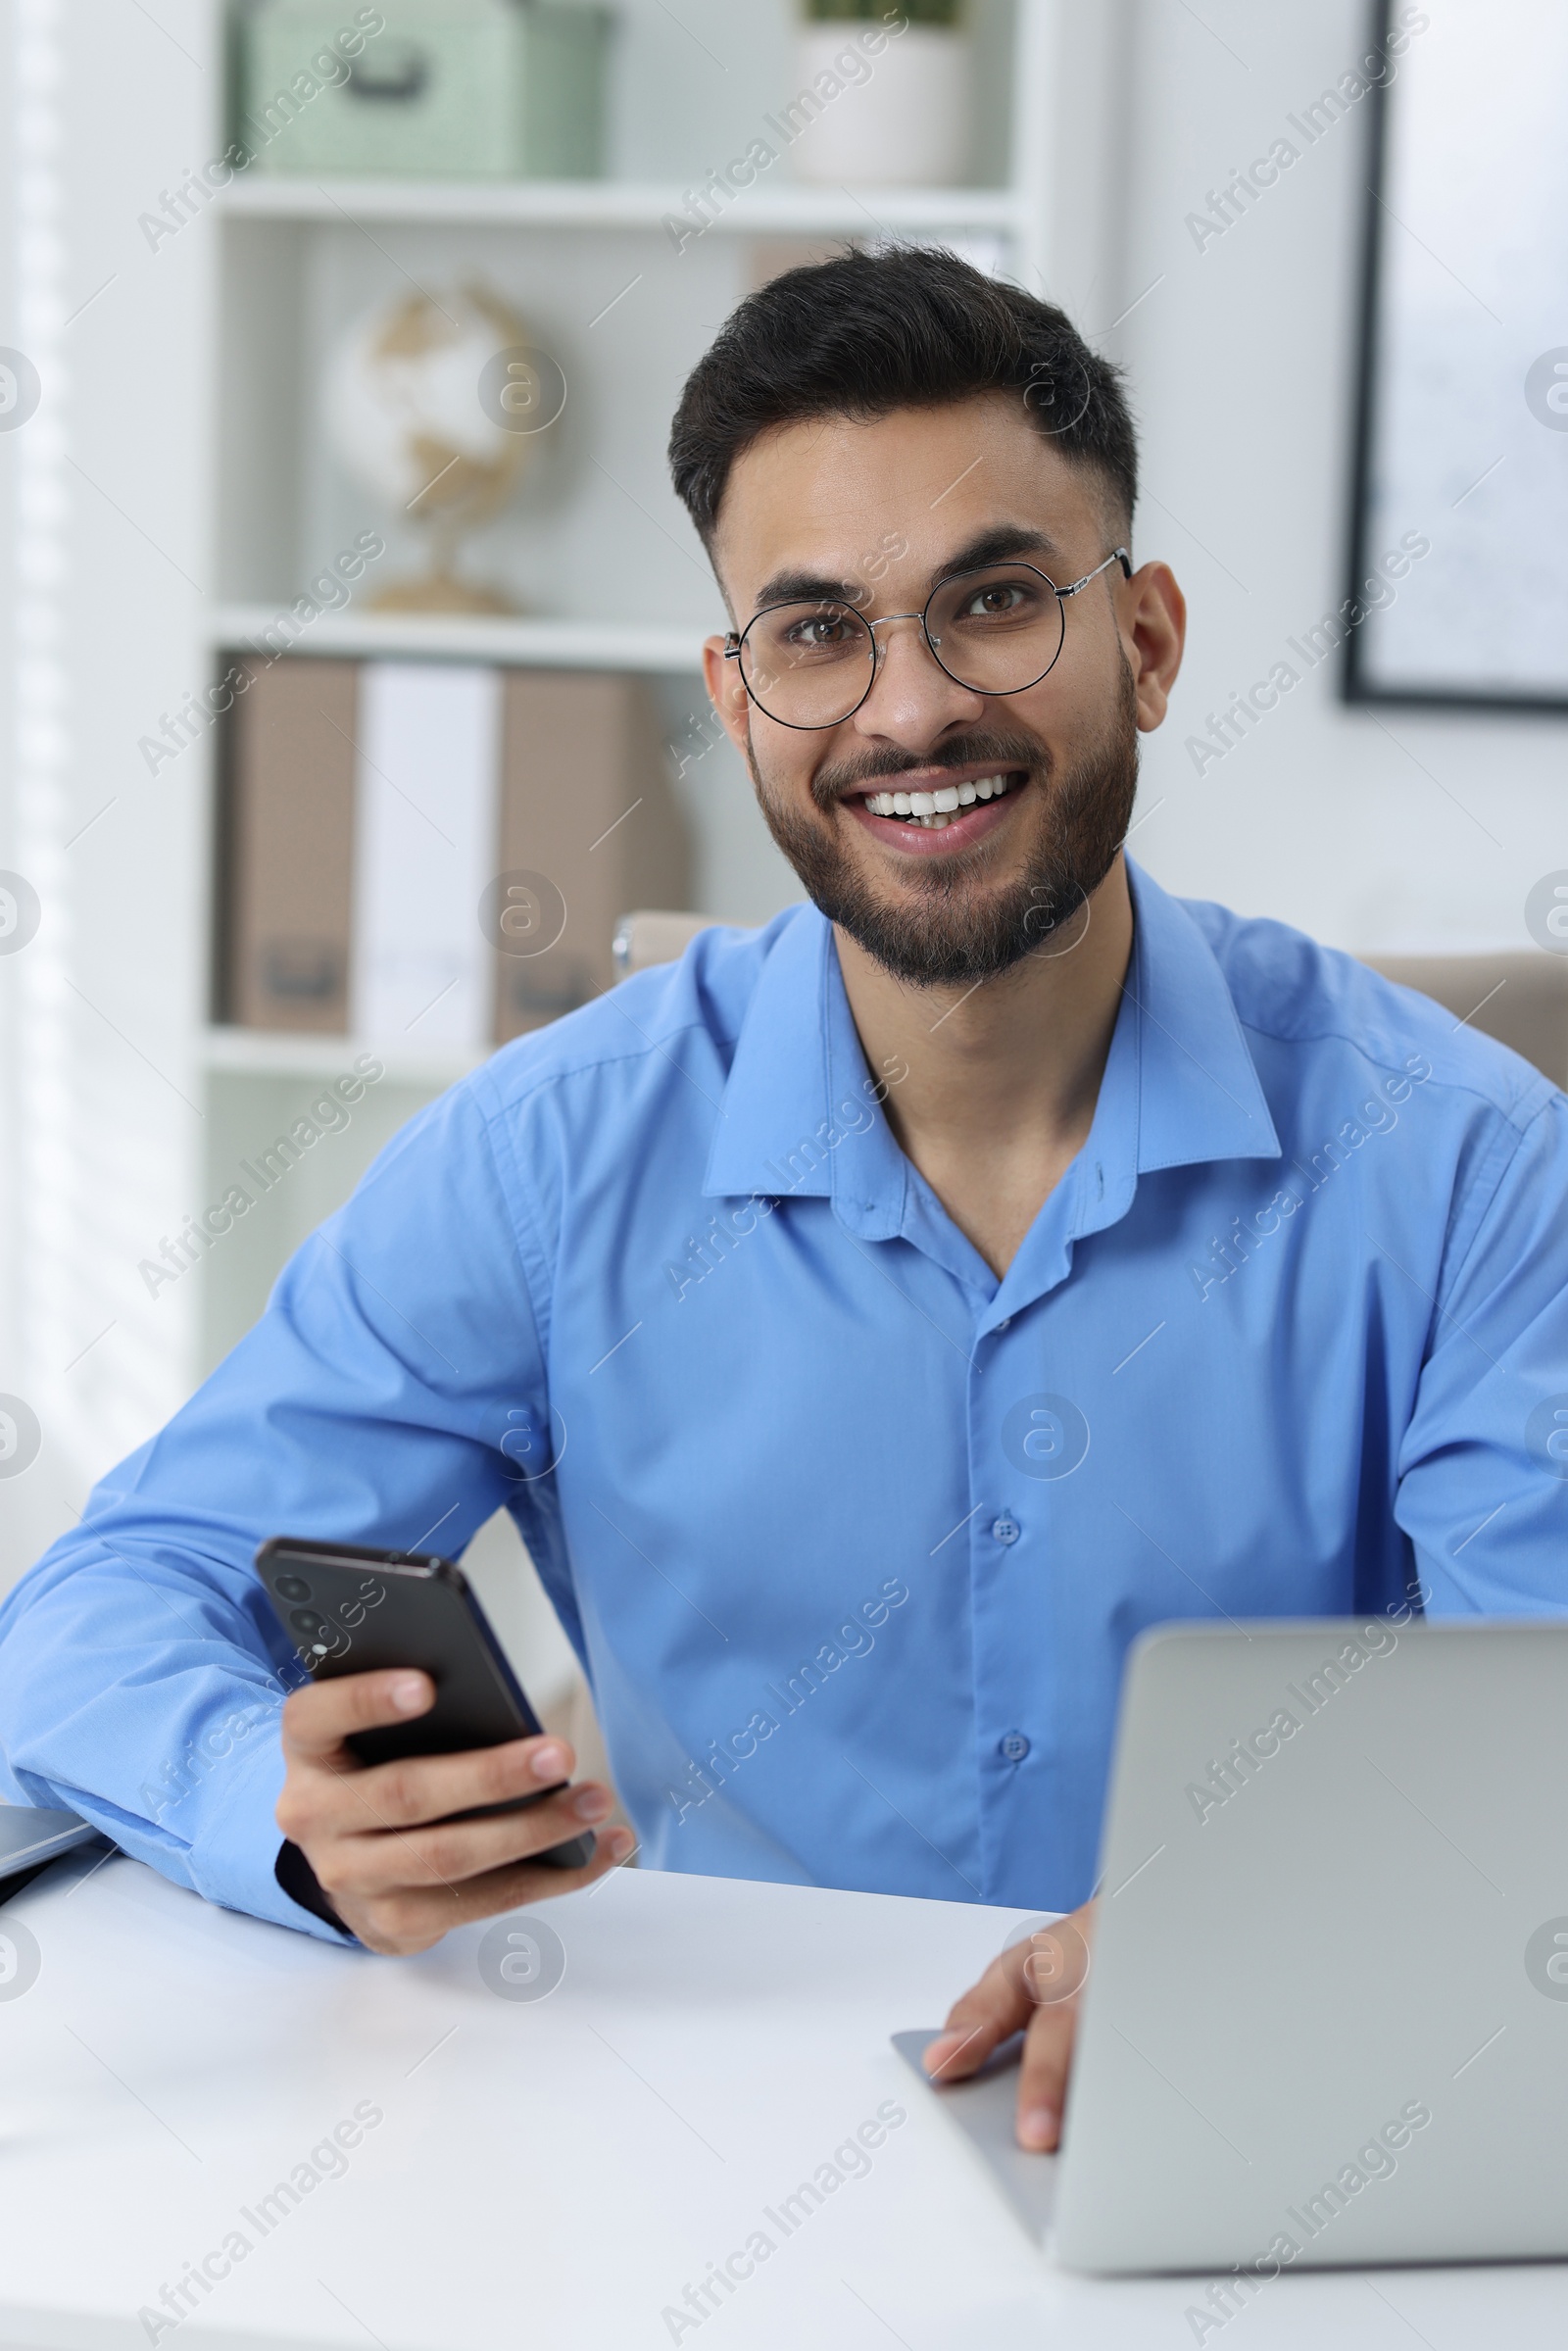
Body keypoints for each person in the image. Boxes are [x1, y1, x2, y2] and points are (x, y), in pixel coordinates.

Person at [2, 249, 1564, 2156]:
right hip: (691, 2131)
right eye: (816, 632)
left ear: (1144, 640)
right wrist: (273, 1797)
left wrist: (1278, 1927)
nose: (908, 710)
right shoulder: (553, 1154)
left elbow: (1538, 1742)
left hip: (1252, 2125)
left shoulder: (1469, 1163)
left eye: (994, 604)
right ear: (736, 699)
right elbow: (104, 1598)